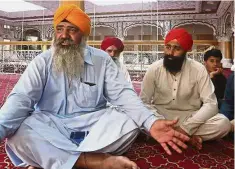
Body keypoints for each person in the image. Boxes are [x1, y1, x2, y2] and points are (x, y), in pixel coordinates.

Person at [0, 5, 189, 169]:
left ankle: (52, 158)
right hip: (52, 124)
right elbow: (21, 98)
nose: (64, 36)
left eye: (72, 30)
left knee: (129, 121)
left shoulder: (102, 60)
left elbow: (123, 95)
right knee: (18, 132)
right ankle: (91, 160)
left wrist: (151, 123)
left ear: (83, 35)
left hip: (93, 126)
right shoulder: (42, 62)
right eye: (60, 29)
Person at [140, 28, 231, 150]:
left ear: (186, 50)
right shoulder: (154, 69)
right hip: (160, 117)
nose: (170, 53)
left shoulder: (198, 70)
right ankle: (189, 138)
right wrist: (158, 123)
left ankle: (175, 136)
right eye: (168, 47)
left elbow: (211, 104)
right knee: (134, 119)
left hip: (191, 118)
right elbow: (143, 102)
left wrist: (185, 129)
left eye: (177, 48)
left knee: (223, 123)